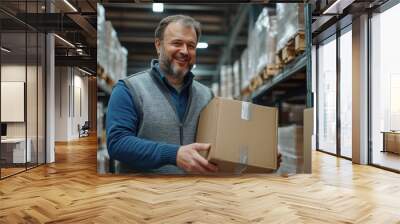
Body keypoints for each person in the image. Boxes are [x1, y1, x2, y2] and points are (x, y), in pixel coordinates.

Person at [106, 15, 218, 174]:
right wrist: (174, 154)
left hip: (193, 193)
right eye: (177, 43)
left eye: (191, 45)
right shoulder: (129, 89)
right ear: (158, 46)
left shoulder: (207, 96)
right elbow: (117, 143)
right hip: (142, 195)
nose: (185, 51)